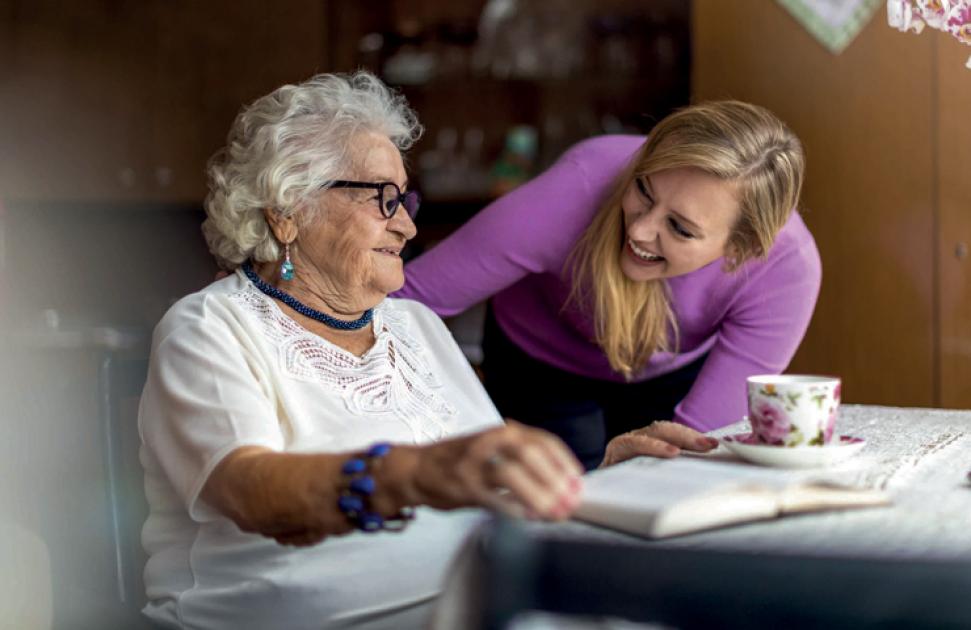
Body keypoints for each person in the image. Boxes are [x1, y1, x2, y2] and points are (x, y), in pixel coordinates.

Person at [137, 72, 584, 630]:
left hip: (469, 606)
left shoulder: (416, 325)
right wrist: (411, 473)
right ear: (287, 210)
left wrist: (595, 479)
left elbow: (489, 484)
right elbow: (249, 490)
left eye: (405, 199)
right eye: (383, 198)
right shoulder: (209, 328)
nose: (406, 225)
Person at [397, 101, 821, 470]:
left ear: (740, 249)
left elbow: (697, 448)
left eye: (679, 228)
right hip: (540, 359)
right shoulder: (577, 188)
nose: (639, 230)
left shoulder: (786, 270)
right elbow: (402, 301)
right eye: (644, 190)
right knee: (549, 509)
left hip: (672, 370)